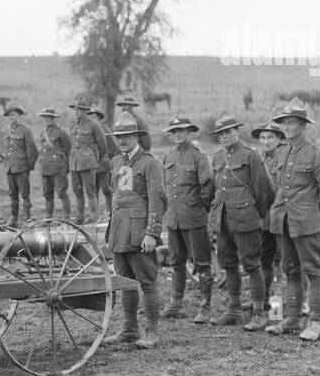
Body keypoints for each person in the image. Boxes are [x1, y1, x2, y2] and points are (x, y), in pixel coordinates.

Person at [265, 99, 320, 341]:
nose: (286, 126)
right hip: (284, 221)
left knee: (314, 271)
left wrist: (312, 208)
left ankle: (315, 321)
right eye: (284, 122)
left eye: (292, 122)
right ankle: (291, 319)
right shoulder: (281, 151)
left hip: (306, 222)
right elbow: (278, 185)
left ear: (303, 125)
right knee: (291, 269)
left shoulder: (314, 153)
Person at [101, 113, 166, 349]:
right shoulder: (116, 163)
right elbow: (116, 199)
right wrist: (111, 232)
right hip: (120, 231)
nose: (122, 140)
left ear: (137, 137)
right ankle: (129, 328)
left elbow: (157, 200)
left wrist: (152, 233)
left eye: (127, 136)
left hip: (140, 233)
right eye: (119, 136)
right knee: (125, 280)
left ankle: (152, 332)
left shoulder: (151, 163)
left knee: (147, 281)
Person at [207, 114, 275, 330]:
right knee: (228, 265)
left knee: (252, 264)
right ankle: (234, 310)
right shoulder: (217, 158)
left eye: (228, 132)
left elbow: (265, 190)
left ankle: (259, 313)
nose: (224, 136)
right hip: (224, 221)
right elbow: (214, 189)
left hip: (246, 220)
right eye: (220, 133)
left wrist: (255, 214)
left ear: (237, 132)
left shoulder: (250, 156)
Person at [161, 114, 216, 324]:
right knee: (176, 262)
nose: (177, 135)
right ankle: (176, 304)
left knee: (202, 263)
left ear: (189, 132)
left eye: (181, 131)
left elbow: (208, 185)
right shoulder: (168, 156)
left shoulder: (198, 156)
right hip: (174, 219)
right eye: (174, 131)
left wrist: (199, 207)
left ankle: (205, 307)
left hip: (194, 218)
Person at [251, 119, 287, 315]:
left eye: (270, 137)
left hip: (283, 219)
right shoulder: (258, 159)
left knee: (283, 263)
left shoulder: (286, 158)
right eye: (263, 138)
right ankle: (265, 300)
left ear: (279, 138)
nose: (266, 141)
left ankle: (277, 310)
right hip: (265, 220)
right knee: (265, 260)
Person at [68, 95, 107, 223]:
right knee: (77, 191)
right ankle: (80, 217)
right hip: (75, 163)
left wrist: (95, 160)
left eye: (79, 110)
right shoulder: (73, 126)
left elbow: (103, 145)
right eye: (75, 110)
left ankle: (93, 216)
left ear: (85, 111)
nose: (76, 112)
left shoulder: (93, 125)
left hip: (88, 163)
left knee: (90, 191)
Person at [1, 105, 39, 228]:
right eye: (9, 116)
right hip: (9, 167)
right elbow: (4, 149)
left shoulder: (25, 130)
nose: (11, 118)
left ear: (18, 116)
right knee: (12, 194)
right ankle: (13, 218)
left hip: (22, 167)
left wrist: (28, 166)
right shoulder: (5, 131)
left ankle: (27, 218)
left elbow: (33, 151)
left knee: (25, 194)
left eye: (13, 115)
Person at [36, 107, 71, 219]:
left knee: (61, 193)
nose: (47, 120)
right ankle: (49, 217)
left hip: (58, 168)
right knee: (47, 194)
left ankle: (66, 217)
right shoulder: (42, 133)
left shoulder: (61, 133)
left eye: (50, 118)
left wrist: (66, 168)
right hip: (45, 168)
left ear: (54, 119)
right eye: (45, 118)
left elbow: (68, 150)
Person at [88, 107, 119, 217]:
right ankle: (95, 215)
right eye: (90, 117)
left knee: (106, 189)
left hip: (104, 165)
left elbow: (114, 147)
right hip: (90, 166)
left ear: (99, 118)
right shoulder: (87, 132)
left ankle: (109, 212)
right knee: (93, 191)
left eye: (94, 117)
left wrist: (113, 163)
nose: (92, 119)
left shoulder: (105, 130)